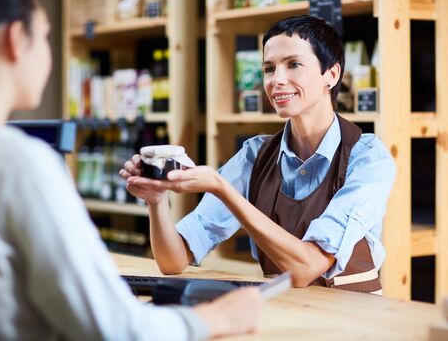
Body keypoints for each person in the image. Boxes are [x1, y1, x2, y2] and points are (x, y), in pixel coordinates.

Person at [0, 0, 262, 340]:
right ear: (16, 40)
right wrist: (217, 319)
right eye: (46, 37)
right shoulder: (15, 163)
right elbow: (116, 330)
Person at [120, 15, 396, 294]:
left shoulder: (367, 157)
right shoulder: (254, 155)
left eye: (294, 65)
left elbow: (306, 267)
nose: (277, 80)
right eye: (268, 68)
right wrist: (156, 201)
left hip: (356, 320)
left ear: (332, 74)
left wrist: (222, 188)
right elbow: (173, 261)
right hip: (286, 312)